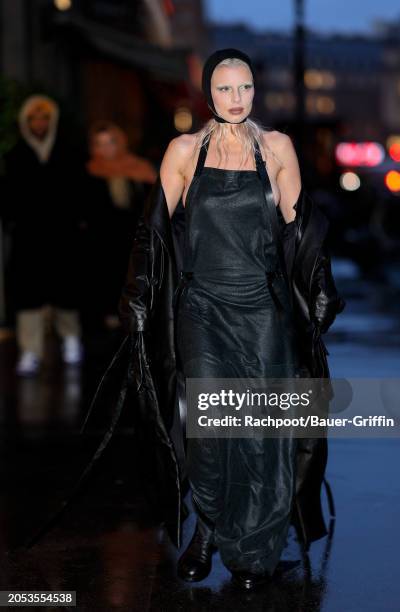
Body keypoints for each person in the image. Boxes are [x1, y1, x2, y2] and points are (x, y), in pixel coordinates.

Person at [21, 50, 344, 591]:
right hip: (203, 308)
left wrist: (321, 287)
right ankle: (208, 528)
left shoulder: (278, 149)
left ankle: (253, 550)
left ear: (254, 91)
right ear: (207, 94)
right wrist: (139, 293)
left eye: (245, 88)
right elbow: (152, 229)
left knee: (263, 434)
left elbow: (301, 231)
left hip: (264, 309)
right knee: (211, 431)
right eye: (224, 89)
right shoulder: (185, 152)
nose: (236, 98)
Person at [2, 95, 83, 375]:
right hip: (28, 237)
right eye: (33, 118)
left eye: (44, 118)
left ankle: (71, 340)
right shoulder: (15, 155)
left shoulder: (68, 152)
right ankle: (30, 351)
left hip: (63, 235)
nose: (39, 123)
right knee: (28, 294)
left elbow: (77, 193)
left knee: (66, 290)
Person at [82, 122, 157, 329]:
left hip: (136, 245)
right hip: (101, 249)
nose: (106, 149)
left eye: (111, 142)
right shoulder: (89, 173)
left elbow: (153, 207)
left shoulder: (140, 170)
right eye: (100, 144)